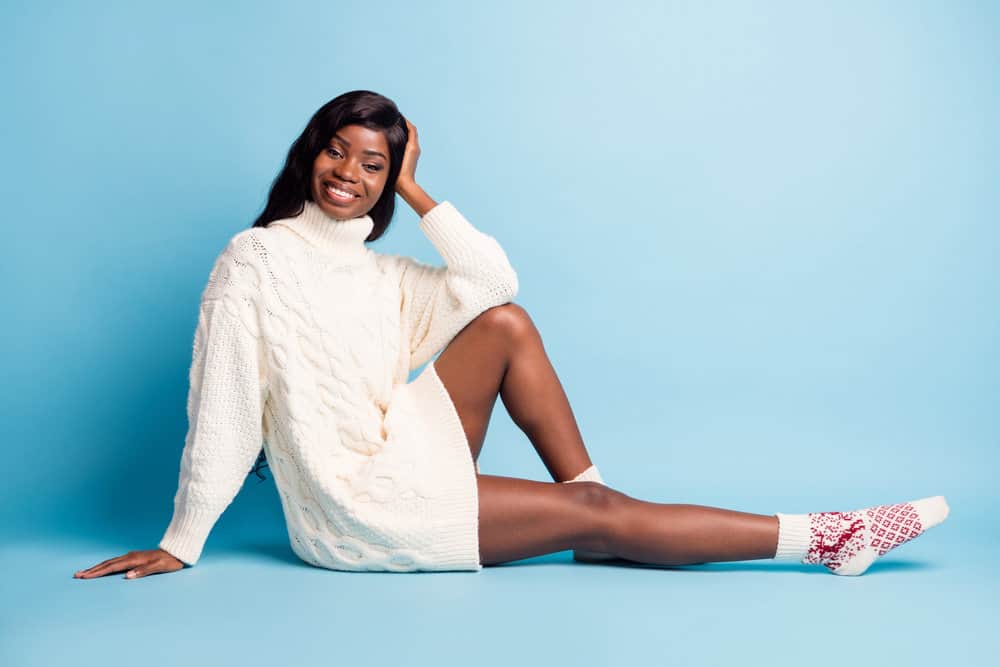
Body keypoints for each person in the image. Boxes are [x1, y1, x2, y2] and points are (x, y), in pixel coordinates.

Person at [74, 90, 949, 581]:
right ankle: (826, 536)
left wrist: (419, 192)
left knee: (503, 323)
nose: (349, 174)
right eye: (338, 152)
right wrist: (184, 537)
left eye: (373, 164)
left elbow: (494, 284)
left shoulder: (380, 275)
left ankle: (603, 510)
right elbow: (223, 405)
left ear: (387, 180)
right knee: (599, 513)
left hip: (398, 446)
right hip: (354, 506)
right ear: (311, 153)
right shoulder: (255, 261)